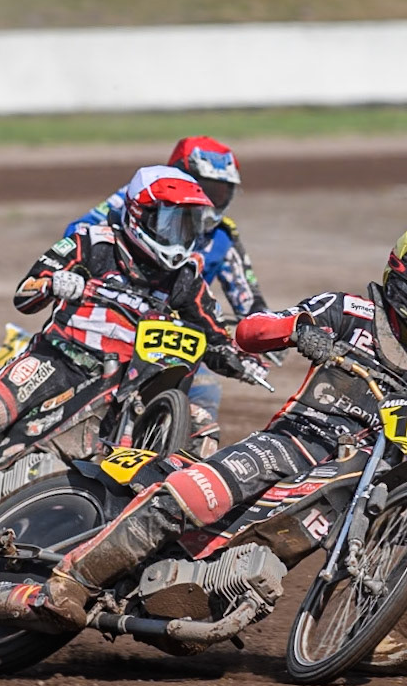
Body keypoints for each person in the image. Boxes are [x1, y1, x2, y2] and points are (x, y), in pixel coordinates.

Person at [0, 225, 407, 677]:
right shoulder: (348, 311)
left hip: (370, 478)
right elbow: (251, 332)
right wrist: (298, 330)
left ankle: (378, 634)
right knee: (200, 492)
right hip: (295, 442)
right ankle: (72, 581)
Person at [0, 165, 266, 537]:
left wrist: (241, 354)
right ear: (142, 214)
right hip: (58, 360)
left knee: (201, 425)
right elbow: (26, 291)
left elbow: (210, 327)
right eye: (173, 222)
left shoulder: (187, 277)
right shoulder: (92, 243)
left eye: (190, 224)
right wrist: (55, 283)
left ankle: (185, 529)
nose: (182, 235)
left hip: (127, 384)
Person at [66, 137, 272, 454]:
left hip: (174, 335)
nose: (208, 199)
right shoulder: (135, 201)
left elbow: (250, 301)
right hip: (105, 318)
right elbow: (77, 237)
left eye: (220, 192)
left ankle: (176, 476)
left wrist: (263, 339)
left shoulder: (222, 239)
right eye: (204, 186)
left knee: (205, 393)